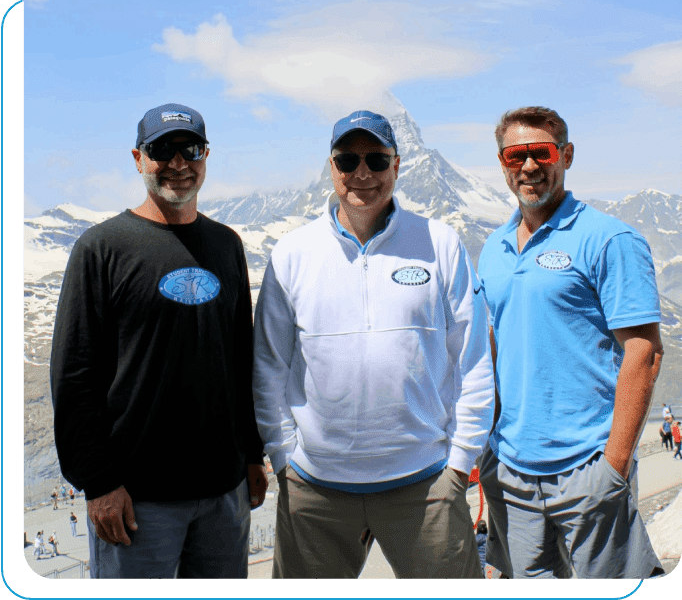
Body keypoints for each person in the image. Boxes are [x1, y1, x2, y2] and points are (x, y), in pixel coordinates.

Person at [252, 110, 494, 579]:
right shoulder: (291, 253)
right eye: (348, 159)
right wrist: (285, 460)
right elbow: (268, 366)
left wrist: (460, 463)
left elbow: (473, 360)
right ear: (332, 167)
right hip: (316, 489)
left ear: (398, 166)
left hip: (425, 484)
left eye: (376, 160)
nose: (362, 173)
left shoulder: (441, 243)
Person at [50, 103, 267, 579]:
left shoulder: (226, 244)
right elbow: (73, 375)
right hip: (135, 500)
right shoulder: (101, 248)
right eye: (161, 150)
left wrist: (252, 454)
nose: (177, 163)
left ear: (206, 155)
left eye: (189, 149)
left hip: (222, 493)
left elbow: (239, 358)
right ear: (137, 157)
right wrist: (99, 484)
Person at [477, 106, 664, 579]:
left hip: (588, 467)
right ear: (501, 162)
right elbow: (494, 348)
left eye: (541, 152)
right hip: (512, 472)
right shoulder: (493, 248)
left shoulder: (608, 239)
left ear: (566, 155)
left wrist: (614, 467)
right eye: (515, 155)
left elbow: (644, 352)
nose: (529, 166)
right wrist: (489, 451)